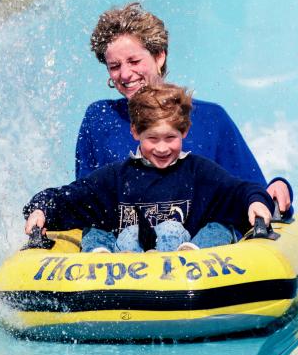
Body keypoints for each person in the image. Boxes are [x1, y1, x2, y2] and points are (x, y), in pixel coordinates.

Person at [75, 2, 293, 215]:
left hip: (200, 247)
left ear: (159, 56)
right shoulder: (100, 118)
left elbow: (252, 192)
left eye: (134, 61)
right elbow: (84, 198)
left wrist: (278, 187)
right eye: (114, 66)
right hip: (122, 246)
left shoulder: (211, 118)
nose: (124, 74)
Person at [25, 84, 275, 253]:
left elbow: (238, 190)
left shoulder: (198, 172)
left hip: (187, 264)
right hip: (126, 262)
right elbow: (73, 196)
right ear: (135, 133)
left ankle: (194, 255)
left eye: (170, 138)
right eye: (152, 139)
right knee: (95, 227)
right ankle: (98, 259)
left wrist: (255, 201)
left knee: (219, 227)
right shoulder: (117, 176)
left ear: (184, 132)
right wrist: (41, 208)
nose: (162, 148)